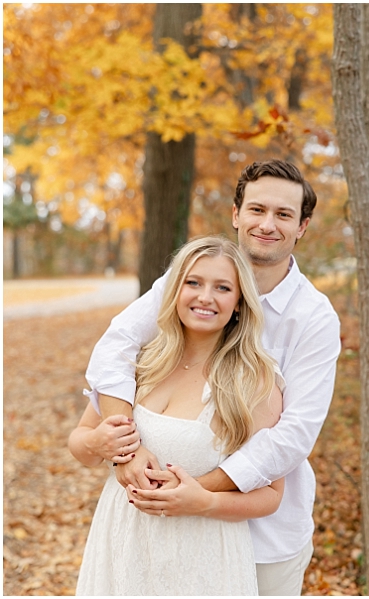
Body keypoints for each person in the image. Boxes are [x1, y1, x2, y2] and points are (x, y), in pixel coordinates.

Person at [79, 160, 341, 595]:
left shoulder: (313, 317)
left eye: (283, 215)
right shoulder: (194, 282)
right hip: (160, 531)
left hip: (265, 535)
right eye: (257, 210)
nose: (267, 224)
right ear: (236, 214)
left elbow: (293, 435)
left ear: (303, 226)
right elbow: (116, 346)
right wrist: (125, 451)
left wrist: (197, 493)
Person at [70, 236, 285, 594]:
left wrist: (206, 501)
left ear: (238, 304)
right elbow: (79, 443)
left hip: (200, 556)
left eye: (222, 287)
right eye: (194, 283)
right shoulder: (142, 360)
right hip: (121, 541)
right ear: (175, 291)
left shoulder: (255, 380)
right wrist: (98, 442)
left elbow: (272, 493)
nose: (205, 297)